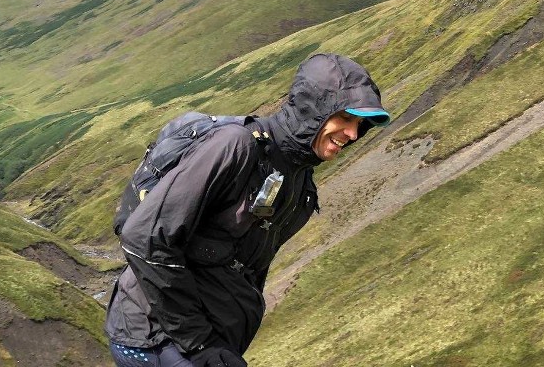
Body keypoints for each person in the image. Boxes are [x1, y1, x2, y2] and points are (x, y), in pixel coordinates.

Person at [105, 53, 390, 367]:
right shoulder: (235, 147)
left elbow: (245, 268)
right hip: (157, 339)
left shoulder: (299, 180)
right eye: (346, 118)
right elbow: (144, 238)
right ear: (314, 107)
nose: (352, 134)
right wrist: (201, 343)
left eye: (360, 125)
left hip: (205, 343)